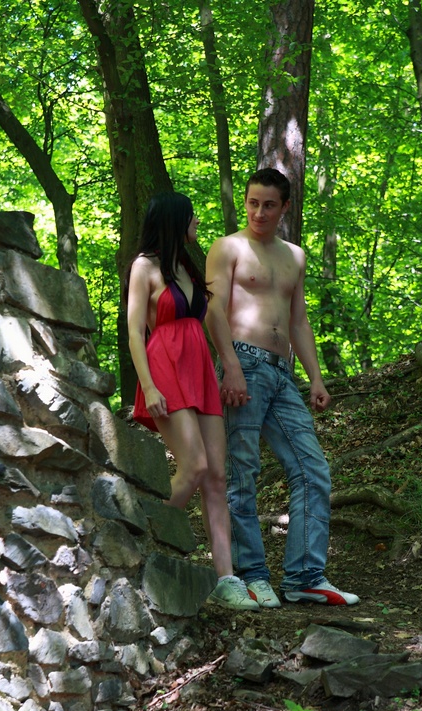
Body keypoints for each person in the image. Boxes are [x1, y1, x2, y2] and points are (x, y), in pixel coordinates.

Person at [204, 168, 359, 607]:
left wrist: (316, 377)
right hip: (243, 364)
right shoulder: (228, 247)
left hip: (282, 372)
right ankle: (253, 575)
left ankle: (305, 576)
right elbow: (214, 310)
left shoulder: (295, 256)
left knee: (313, 470)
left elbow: (298, 321)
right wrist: (230, 365)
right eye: (253, 203)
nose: (259, 212)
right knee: (242, 472)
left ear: (285, 207)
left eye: (269, 205)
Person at [127, 191, 259, 611]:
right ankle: (142, 543)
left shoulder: (187, 265)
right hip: (164, 366)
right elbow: (134, 332)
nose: (197, 222)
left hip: (198, 367)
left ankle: (225, 579)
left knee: (217, 475)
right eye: (191, 217)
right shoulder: (144, 266)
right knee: (195, 466)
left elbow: (210, 317)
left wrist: (229, 363)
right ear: (174, 220)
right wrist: (148, 386)